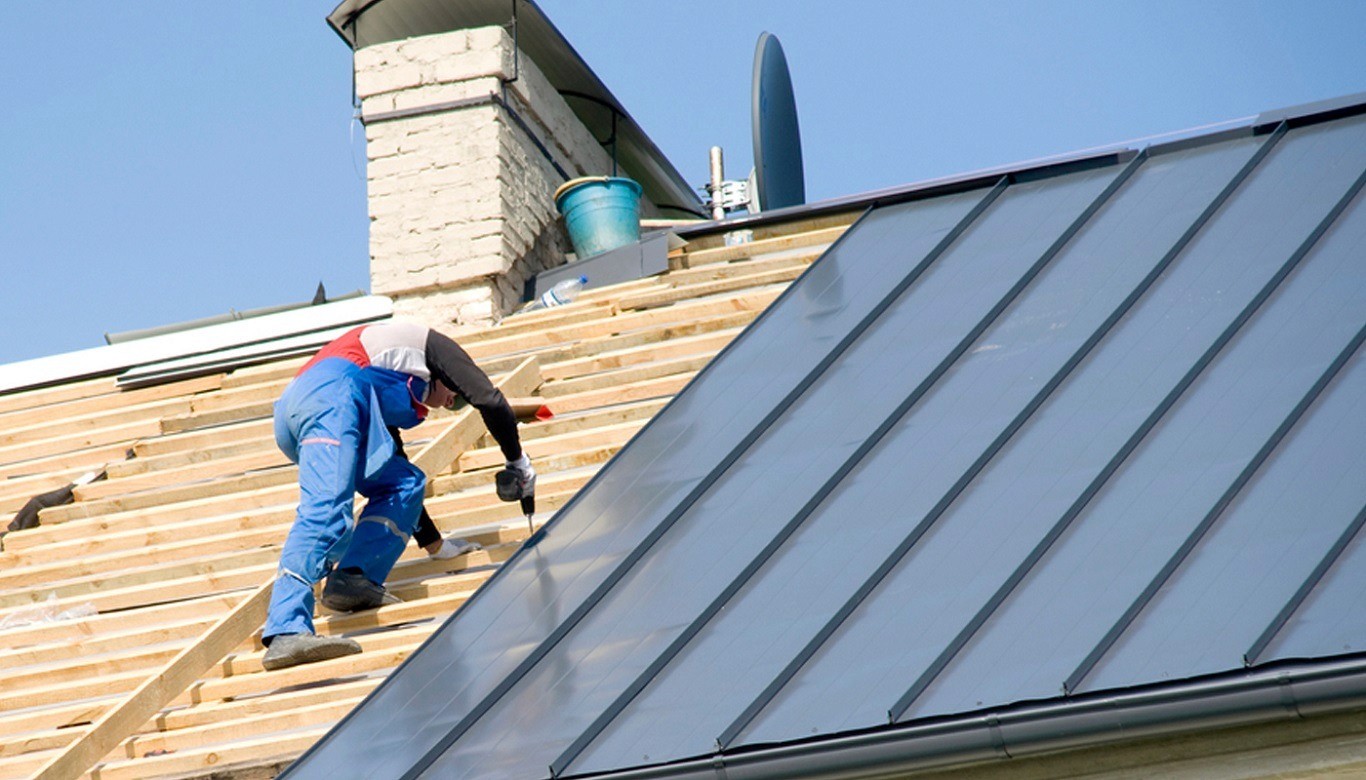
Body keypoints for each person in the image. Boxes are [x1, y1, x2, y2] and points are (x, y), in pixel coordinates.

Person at [260, 320, 535, 671]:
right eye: (455, 397)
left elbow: (396, 457)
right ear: (445, 375)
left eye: (457, 405)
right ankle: (286, 629)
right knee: (327, 510)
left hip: (328, 402)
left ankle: (353, 579)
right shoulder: (434, 347)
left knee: (403, 482)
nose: (453, 402)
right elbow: (490, 400)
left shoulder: (388, 380)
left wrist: (436, 546)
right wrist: (518, 462)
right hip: (329, 397)